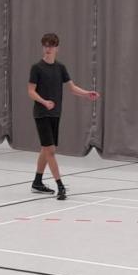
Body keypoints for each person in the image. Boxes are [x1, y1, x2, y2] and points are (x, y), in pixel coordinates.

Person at [27, 33, 100, 201]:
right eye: (45, 45)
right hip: (41, 113)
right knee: (51, 150)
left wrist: (86, 94)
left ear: (56, 48)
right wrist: (44, 101)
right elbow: (30, 91)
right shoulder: (36, 68)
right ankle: (60, 185)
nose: (48, 48)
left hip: (55, 113)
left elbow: (72, 88)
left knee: (46, 149)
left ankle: (37, 182)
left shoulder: (60, 68)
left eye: (51, 45)